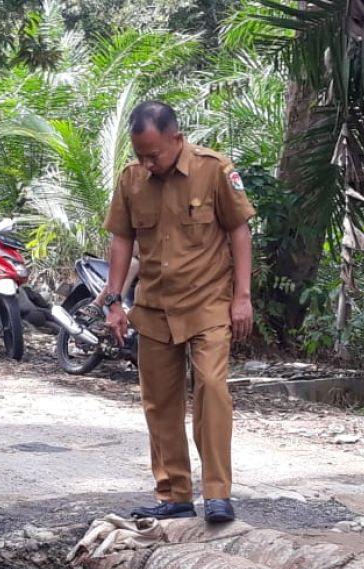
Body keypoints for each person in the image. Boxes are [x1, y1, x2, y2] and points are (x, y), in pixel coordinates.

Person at [83, 101, 255, 523]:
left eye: (154, 154)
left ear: (177, 139)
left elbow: (239, 231)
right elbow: (122, 240)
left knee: (212, 389)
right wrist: (115, 301)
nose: (147, 162)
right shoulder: (132, 179)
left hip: (208, 303)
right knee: (159, 402)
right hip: (154, 306)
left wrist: (243, 297)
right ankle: (174, 494)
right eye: (140, 154)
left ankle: (218, 493)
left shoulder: (214, 170)